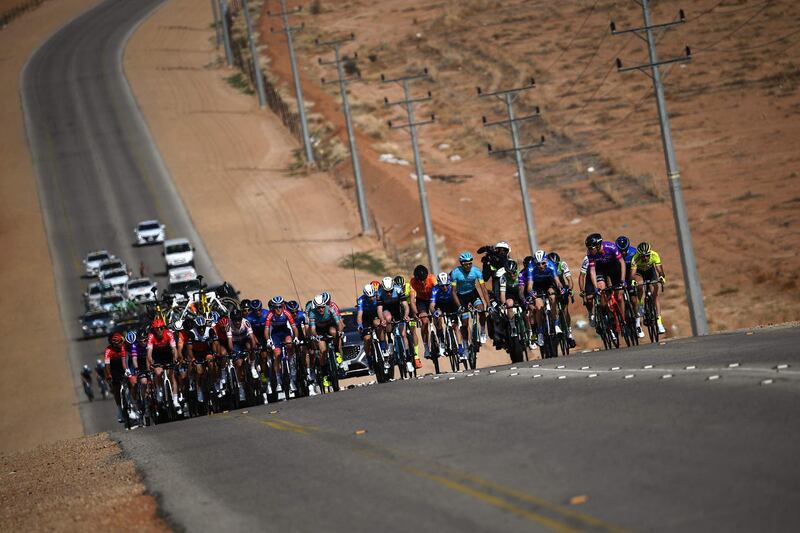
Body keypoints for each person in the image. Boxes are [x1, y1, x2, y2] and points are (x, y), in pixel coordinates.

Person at [585, 233, 627, 334]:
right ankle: (606, 313)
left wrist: (622, 280)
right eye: (588, 248)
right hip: (600, 270)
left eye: (591, 248)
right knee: (601, 288)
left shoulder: (611, 247)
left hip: (613, 268)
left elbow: (622, 263)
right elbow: (592, 271)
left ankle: (624, 321)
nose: (590, 250)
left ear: (599, 245)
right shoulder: (590, 254)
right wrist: (596, 288)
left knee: (620, 297)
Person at [522, 250, 565, 347]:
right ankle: (540, 332)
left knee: (553, 297)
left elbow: (557, 281)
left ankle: (556, 324)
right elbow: (529, 286)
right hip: (536, 286)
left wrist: (561, 288)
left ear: (546, 260)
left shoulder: (551, 265)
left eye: (543, 263)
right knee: (538, 307)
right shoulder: (531, 267)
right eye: (538, 264)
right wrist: (531, 293)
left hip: (547, 283)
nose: (541, 266)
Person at [451, 251, 490, 349]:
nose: (468, 266)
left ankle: (482, 331)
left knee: (481, 308)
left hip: (472, 293)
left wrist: (488, 304)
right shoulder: (455, 273)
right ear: (461, 263)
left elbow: (483, 289)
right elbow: (453, 292)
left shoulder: (476, 271)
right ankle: (465, 342)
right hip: (461, 296)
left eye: (470, 263)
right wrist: (459, 306)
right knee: (465, 321)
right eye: (466, 264)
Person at [630, 241, 667, 335]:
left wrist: (662, 277)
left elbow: (659, 270)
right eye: (643, 256)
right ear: (639, 254)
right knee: (640, 285)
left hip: (650, 272)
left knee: (655, 293)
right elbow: (633, 274)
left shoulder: (654, 255)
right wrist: (633, 281)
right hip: (639, 272)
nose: (645, 258)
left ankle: (659, 323)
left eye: (647, 255)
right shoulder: (635, 258)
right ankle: (640, 305)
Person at [377, 276, 412, 373]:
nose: (388, 293)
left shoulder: (398, 289)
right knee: (387, 318)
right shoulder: (379, 293)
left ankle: (408, 359)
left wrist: (406, 315)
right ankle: (390, 340)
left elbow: (405, 305)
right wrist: (382, 319)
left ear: (393, 287)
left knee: (403, 334)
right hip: (386, 309)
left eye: (390, 291)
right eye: (386, 291)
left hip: (397, 309)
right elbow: (379, 310)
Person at [266, 296, 300, 394]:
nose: (278, 309)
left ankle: (292, 366)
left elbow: (294, 328)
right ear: (273, 307)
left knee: (289, 343)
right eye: (276, 307)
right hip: (275, 334)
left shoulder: (287, 313)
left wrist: (296, 338)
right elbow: (267, 329)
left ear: (283, 306)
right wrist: (268, 340)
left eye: (280, 307)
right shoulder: (270, 314)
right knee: (277, 354)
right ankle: (278, 381)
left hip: (285, 332)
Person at [488, 259, 523, 348]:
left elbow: (522, 291)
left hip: (520, 293)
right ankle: (512, 327)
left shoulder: (520, 275)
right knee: (509, 304)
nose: (512, 275)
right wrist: (504, 305)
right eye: (509, 273)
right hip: (509, 295)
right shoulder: (503, 278)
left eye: (513, 273)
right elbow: (502, 294)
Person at [147, 318, 181, 409]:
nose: (159, 330)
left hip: (167, 354)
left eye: (161, 328)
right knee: (158, 373)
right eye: (157, 329)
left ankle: (175, 400)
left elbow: (174, 349)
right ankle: (159, 389)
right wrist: (152, 362)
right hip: (157, 355)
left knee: (172, 376)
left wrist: (175, 359)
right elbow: (149, 353)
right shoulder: (151, 336)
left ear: (164, 328)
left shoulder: (169, 333)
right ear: (153, 330)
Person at [103, 332, 137, 424]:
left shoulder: (123, 347)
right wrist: (109, 375)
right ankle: (119, 410)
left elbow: (125, 363)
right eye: (118, 343)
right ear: (113, 343)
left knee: (130, 383)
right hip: (113, 368)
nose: (121, 344)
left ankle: (132, 404)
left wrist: (128, 373)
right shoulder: (108, 350)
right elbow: (107, 365)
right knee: (116, 388)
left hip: (123, 367)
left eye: (121, 342)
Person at [429, 272, 464, 357]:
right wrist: (434, 313)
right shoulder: (435, 289)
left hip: (451, 304)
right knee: (438, 319)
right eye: (442, 286)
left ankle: (460, 346)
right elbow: (432, 305)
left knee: (455, 326)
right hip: (440, 305)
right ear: (438, 284)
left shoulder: (453, 286)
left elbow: (460, 299)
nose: (444, 287)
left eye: (446, 285)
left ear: (449, 282)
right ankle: (441, 342)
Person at [615, 235, 643, 338]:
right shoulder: (614, 254)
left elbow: (638, 269)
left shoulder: (633, 252)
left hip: (631, 274)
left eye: (625, 250)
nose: (623, 253)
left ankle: (637, 322)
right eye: (621, 251)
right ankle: (621, 322)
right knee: (619, 297)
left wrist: (634, 280)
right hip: (619, 276)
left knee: (634, 300)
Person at [547, 251, 576, 348]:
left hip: (562, 285)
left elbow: (569, 280)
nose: (554, 266)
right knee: (552, 298)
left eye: (556, 264)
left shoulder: (562, 264)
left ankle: (569, 333)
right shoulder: (547, 267)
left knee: (565, 310)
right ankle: (554, 323)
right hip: (551, 286)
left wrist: (570, 290)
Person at [409, 265, 436, 359]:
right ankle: (426, 347)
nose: (422, 282)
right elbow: (412, 300)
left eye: (424, 279)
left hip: (433, 299)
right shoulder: (412, 282)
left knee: (438, 317)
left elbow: (438, 291)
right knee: (424, 321)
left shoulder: (432, 278)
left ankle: (441, 340)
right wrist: (416, 313)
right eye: (420, 280)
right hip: (421, 301)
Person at [356, 284, 383, 371]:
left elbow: (381, 309)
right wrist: (360, 325)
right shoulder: (361, 300)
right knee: (367, 339)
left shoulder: (378, 295)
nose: (371, 298)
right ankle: (369, 359)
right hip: (365, 317)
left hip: (375, 314)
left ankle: (383, 348)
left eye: (372, 296)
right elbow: (359, 315)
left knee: (378, 325)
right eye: (369, 297)